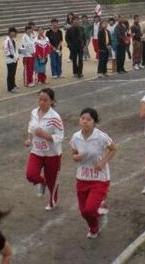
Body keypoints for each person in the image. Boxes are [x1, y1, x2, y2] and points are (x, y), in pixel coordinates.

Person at [70, 108, 117, 239]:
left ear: (94, 122)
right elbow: (73, 152)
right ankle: (94, 228)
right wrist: (75, 157)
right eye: (82, 118)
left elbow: (113, 149)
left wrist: (103, 162)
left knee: (90, 209)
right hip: (82, 178)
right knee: (83, 211)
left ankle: (101, 211)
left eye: (88, 119)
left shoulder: (101, 137)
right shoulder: (75, 137)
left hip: (99, 178)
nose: (84, 121)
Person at [25, 88, 64, 210]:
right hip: (36, 152)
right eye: (40, 99)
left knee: (52, 181)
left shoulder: (55, 118)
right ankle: (42, 182)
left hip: (52, 154)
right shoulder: (34, 113)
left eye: (45, 100)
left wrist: (45, 135)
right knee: (31, 175)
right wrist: (29, 139)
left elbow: (60, 136)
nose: (42, 102)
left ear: (51, 101)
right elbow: (31, 128)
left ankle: (52, 201)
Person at [3, 27, 19, 93]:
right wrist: (12, 56)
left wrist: (16, 56)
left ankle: (13, 84)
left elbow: (15, 49)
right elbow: (6, 50)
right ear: (9, 33)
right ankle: (10, 87)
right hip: (10, 60)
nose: (13, 34)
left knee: (13, 73)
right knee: (10, 74)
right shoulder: (7, 40)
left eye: (14, 33)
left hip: (14, 59)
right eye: (12, 33)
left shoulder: (13, 40)